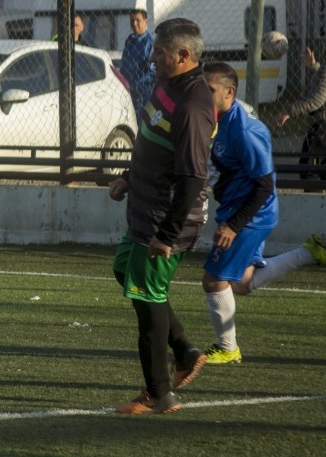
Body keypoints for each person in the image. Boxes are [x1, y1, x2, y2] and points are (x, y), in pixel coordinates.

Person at [108, 18, 216, 415]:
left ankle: (159, 393)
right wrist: (127, 177)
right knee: (125, 271)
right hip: (144, 206)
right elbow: (150, 141)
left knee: (147, 298)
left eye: (159, 52)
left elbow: (191, 178)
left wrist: (167, 234)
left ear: (184, 55)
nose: (152, 57)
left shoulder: (193, 105)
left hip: (163, 218)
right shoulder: (167, 86)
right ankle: (185, 350)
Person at [201, 62, 326, 365]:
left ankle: (227, 347)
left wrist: (234, 225)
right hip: (237, 207)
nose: (202, 96)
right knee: (242, 282)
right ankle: (308, 253)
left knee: (214, 279)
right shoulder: (218, 117)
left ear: (229, 92)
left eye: (209, 91)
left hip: (251, 214)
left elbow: (263, 184)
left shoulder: (243, 130)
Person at [274, 47, 326, 186]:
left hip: (324, 128)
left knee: (309, 171)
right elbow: (325, 85)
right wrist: (315, 66)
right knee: (324, 171)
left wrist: (288, 111)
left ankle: (316, 206)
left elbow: (316, 100)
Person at [121, 9, 156, 117]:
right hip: (128, 91)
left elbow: (153, 71)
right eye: (132, 20)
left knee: (142, 121)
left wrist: (139, 85)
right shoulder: (130, 40)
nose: (134, 23)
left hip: (144, 92)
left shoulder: (149, 43)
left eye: (137, 20)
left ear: (146, 22)